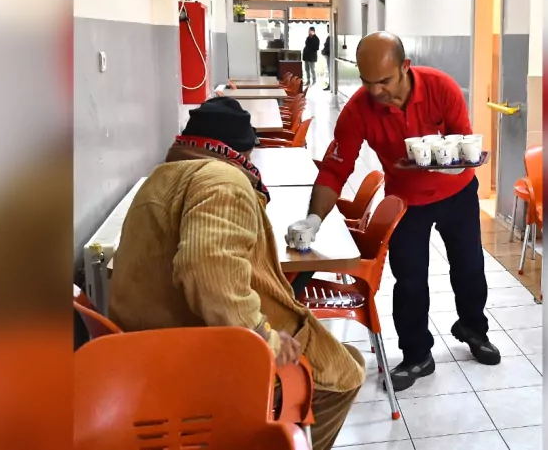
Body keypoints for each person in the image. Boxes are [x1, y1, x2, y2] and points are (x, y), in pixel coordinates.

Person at [107, 97, 365, 450]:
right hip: (199, 364)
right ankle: (281, 441)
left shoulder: (161, 177)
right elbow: (208, 274)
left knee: (340, 356)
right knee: (345, 374)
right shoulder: (223, 180)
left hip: (149, 355)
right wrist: (264, 339)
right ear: (242, 151)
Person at [285, 32, 500, 393]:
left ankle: (472, 329)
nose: (375, 91)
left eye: (384, 81)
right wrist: (314, 218)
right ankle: (417, 354)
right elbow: (336, 169)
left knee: (469, 268)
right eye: (368, 82)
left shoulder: (440, 88)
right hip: (405, 201)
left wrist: (443, 165)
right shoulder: (358, 110)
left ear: (405, 67)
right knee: (411, 280)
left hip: (456, 193)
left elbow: (463, 141)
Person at [321, 25, 331, 91]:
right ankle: (330, 85)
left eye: (328, 28)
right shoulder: (329, 37)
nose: (327, 30)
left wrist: (323, 52)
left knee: (330, 71)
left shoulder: (330, 38)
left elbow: (327, 47)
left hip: (329, 56)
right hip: (328, 55)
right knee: (330, 71)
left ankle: (330, 85)